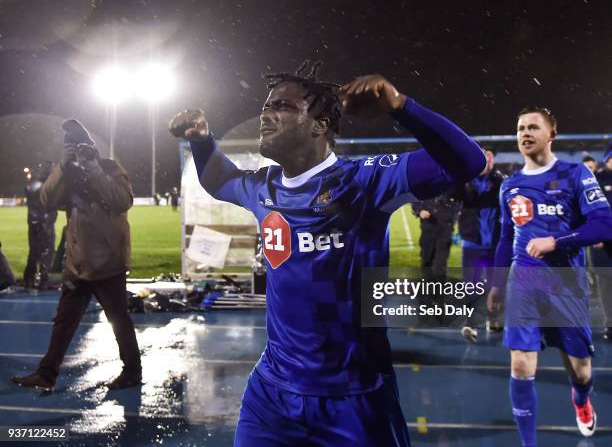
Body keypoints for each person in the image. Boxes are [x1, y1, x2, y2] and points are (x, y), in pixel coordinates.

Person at [169, 61, 486, 446]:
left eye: (283, 107)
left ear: (319, 125)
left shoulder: (366, 180)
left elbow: (467, 160)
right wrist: (202, 141)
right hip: (272, 394)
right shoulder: (262, 188)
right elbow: (220, 179)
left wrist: (400, 106)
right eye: (267, 106)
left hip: (353, 398)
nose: (266, 115)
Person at [487, 107, 612, 445]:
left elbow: (604, 223)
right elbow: (504, 238)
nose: (524, 133)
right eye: (520, 128)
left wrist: (556, 241)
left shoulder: (575, 175)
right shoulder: (510, 186)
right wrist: (497, 285)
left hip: (567, 286)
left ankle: (582, 400)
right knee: (522, 367)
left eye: (532, 127)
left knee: (581, 370)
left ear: (551, 134)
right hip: (524, 282)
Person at [11, 119, 141, 391]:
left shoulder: (110, 167)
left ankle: (132, 371)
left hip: (108, 262)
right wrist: (61, 166)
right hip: (78, 263)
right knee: (64, 322)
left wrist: (94, 169)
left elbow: (122, 201)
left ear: (92, 147)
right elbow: (46, 199)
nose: (77, 152)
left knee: (118, 319)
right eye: (71, 147)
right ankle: (46, 375)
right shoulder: (67, 175)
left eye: (80, 146)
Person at [453, 149, 505, 342]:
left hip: (495, 244)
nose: (488, 164)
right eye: (485, 160)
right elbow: (453, 193)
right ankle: (470, 323)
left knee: (496, 286)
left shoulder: (499, 181)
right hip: (472, 243)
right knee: (471, 285)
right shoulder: (464, 181)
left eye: (490, 161)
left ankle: (493, 319)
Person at [23, 162, 57, 290]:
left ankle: (29, 279)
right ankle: (44, 281)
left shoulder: (30, 186)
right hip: (46, 222)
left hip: (32, 222)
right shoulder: (47, 187)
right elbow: (52, 205)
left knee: (33, 252)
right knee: (47, 252)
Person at [411, 192, 460, 281]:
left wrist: (452, 221)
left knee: (440, 265)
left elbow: (461, 203)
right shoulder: (427, 184)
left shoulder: (454, 186)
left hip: (445, 231)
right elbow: (415, 199)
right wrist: (420, 211)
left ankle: (439, 292)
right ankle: (427, 288)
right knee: (426, 261)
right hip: (428, 229)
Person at [591, 148, 612, 339]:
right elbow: (588, 210)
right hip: (603, 242)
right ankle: (610, 325)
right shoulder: (595, 180)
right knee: (606, 285)